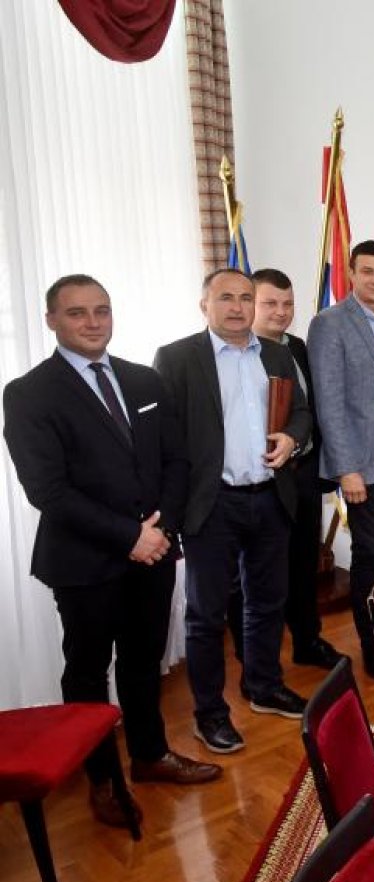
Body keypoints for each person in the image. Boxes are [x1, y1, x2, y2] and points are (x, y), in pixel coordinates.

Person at [3, 275, 220, 825]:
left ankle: (149, 755)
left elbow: (176, 461)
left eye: (101, 310)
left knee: (144, 661)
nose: (93, 321)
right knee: (87, 671)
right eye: (77, 313)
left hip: (154, 551)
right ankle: (102, 780)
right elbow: (47, 491)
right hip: (85, 562)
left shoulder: (144, 379)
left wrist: (160, 530)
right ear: (51, 320)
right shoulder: (28, 393)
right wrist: (130, 537)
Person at [154, 269, 312, 754]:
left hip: (270, 497)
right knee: (206, 616)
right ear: (205, 305)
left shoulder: (277, 353)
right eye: (226, 298)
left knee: (268, 602)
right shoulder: (177, 358)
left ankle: (263, 686)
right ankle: (210, 714)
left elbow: (302, 413)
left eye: (246, 297)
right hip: (212, 504)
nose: (238, 307)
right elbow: (164, 440)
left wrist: (292, 438)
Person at [308, 239, 374, 678]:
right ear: (351, 273)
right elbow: (329, 402)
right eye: (367, 271)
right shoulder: (330, 323)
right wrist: (346, 468)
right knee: (369, 551)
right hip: (359, 459)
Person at [227, 268, 344, 672]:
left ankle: (307, 641)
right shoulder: (237, 355)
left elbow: (310, 409)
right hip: (261, 481)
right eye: (270, 303)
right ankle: (253, 660)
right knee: (256, 574)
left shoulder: (296, 347)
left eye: (288, 303)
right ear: (250, 304)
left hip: (303, 473)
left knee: (303, 564)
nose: (281, 312)